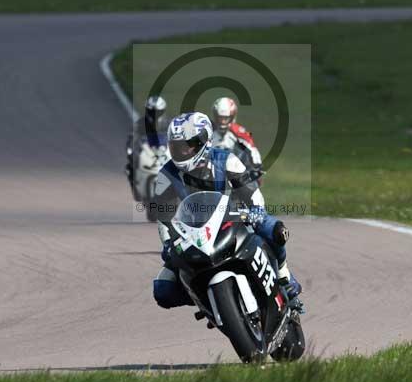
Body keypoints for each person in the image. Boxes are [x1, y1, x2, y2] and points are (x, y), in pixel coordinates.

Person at [150, 111, 302, 310]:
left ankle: (284, 277)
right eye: (177, 146)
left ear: (203, 141)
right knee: (163, 291)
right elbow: (164, 218)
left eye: (188, 145)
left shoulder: (226, 159)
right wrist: (169, 243)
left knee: (275, 229)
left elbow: (252, 194)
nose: (183, 151)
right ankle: (205, 300)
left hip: (233, 218)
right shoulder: (165, 176)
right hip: (192, 234)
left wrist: (256, 211)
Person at [125, 96, 169, 201]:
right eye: (151, 111)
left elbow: (175, 135)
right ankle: (134, 184)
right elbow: (132, 136)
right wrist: (130, 148)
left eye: (157, 112)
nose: (154, 114)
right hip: (146, 150)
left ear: (162, 111)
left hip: (163, 150)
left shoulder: (168, 123)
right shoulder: (140, 123)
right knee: (130, 164)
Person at [211, 97, 264, 183]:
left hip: (236, 173)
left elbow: (252, 151)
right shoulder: (209, 131)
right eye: (220, 118)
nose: (223, 122)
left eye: (226, 118)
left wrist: (257, 168)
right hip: (211, 173)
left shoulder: (239, 132)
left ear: (232, 117)